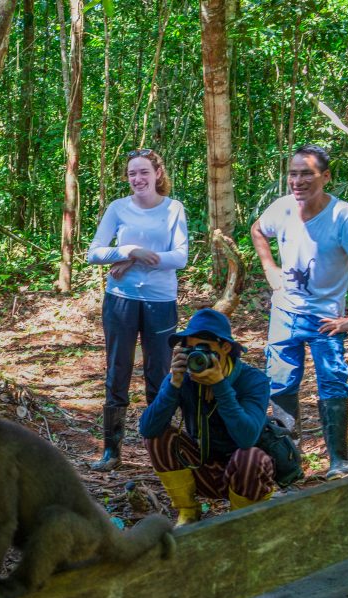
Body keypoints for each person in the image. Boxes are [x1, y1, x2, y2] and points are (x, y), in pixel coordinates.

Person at [251, 144, 348, 479]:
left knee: (333, 383)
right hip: (284, 314)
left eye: (306, 173)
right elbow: (258, 230)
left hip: (325, 318)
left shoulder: (343, 216)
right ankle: (288, 460)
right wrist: (269, 268)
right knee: (280, 384)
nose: (298, 180)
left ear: (325, 176)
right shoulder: (282, 208)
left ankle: (338, 459)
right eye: (293, 173)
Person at [86, 148, 189, 472]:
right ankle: (111, 451)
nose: (138, 179)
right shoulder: (118, 209)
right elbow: (95, 253)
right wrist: (129, 249)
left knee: (159, 375)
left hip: (161, 302)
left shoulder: (173, 209)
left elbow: (180, 257)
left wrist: (132, 259)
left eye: (144, 172)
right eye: (132, 173)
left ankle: (162, 450)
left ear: (158, 173)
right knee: (118, 371)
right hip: (120, 300)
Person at [139, 309, 273, 526]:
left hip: (243, 473)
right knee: (158, 435)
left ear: (225, 347)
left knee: (252, 457)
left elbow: (247, 438)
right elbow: (147, 429)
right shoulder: (185, 377)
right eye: (190, 349)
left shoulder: (252, 381)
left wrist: (220, 386)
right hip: (200, 465)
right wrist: (173, 385)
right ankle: (188, 512)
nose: (196, 356)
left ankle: (240, 521)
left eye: (204, 349)